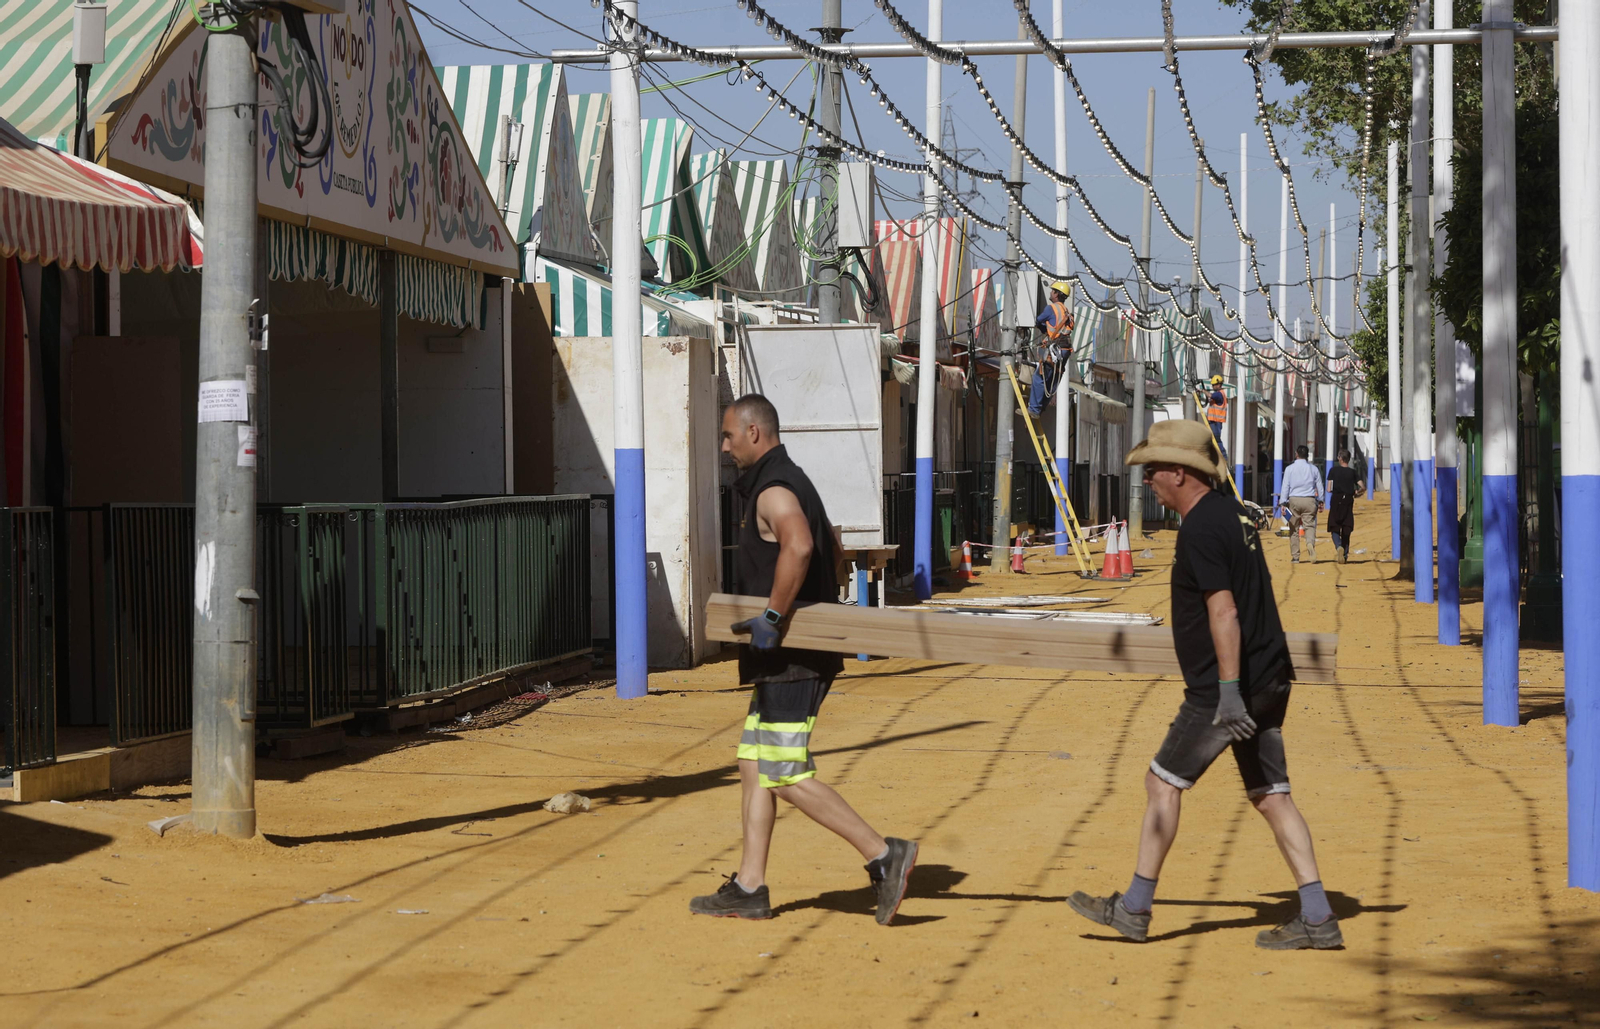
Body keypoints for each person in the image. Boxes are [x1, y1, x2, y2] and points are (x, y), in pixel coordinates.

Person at [1068, 419, 1343, 951]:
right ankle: (1317, 917)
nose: (1147, 479)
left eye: (1153, 470)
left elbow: (1224, 611)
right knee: (1271, 795)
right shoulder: (1234, 515)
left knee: (1162, 784)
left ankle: (1134, 908)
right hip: (1269, 675)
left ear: (1180, 472)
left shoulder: (1200, 528)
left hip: (1226, 688)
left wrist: (1229, 689)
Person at [691, 394, 918, 924]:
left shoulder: (773, 489)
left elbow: (799, 546)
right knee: (753, 763)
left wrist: (774, 617)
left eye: (728, 436)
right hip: (789, 656)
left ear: (754, 432)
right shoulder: (793, 477)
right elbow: (833, 544)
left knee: (782, 771)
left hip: (793, 658)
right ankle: (750, 885)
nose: (724, 447)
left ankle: (885, 856)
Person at [1028, 281, 1075, 418]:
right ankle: (1041, 408)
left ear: (1056, 294)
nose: (1050, 293)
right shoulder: (1067, 313)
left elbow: (1038, 321)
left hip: (1055, 349)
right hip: (1065, 350)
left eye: (1052, 291)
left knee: (1039, 377)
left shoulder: (1051, 308)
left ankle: (1035, 409)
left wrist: (1043, 329)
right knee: (1053, 380)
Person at [1279, 444, 1325, 563]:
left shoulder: (1289, 469)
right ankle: (1310, 543)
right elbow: (1319, 486)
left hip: (1294, 500)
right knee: (1309, 525)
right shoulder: (1313, 469)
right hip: (1309, 500)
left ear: (1296, 454)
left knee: (1293, 528)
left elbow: (1285, 486)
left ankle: (1295, 556)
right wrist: (1321, 500)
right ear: (1307, 455)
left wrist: (1283, 503)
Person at [1327, 448, 1359, 564]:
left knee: (1334, 526)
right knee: (1346, 528)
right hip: (1348, 501)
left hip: (1336, 500)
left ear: (1340, 458)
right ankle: (1345, 554)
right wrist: (1357, 492)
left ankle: (1338, 546)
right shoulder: (1352, 472)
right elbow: (1362, 486)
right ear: (1349, 459)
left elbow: (1329, 488)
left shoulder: (1333, 471)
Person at [1194, 374, 1230, 464]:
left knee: (1216, 439)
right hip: (1213, 421)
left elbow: (1210, 395)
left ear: (1219, 384)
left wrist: (1203, 391)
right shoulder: (1218, 394)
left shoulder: (1219, 394)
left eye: (1214, 385)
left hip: (1216, 421)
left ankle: (1224, 457)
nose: (1213, 386)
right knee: (1211, 440)